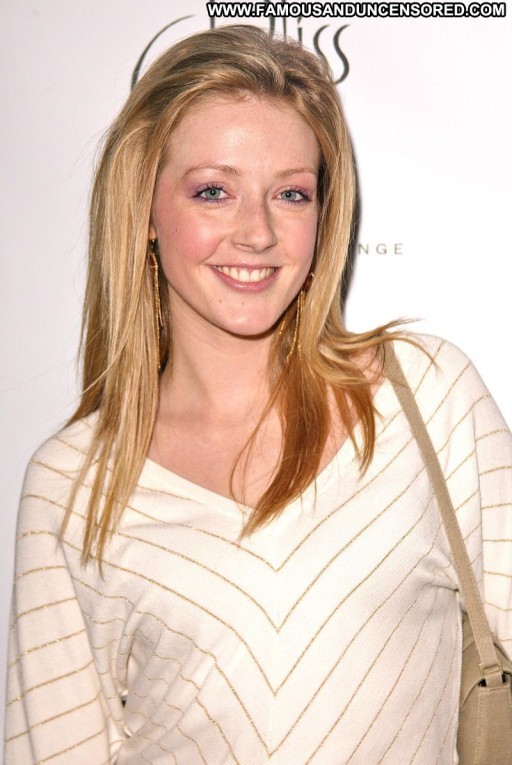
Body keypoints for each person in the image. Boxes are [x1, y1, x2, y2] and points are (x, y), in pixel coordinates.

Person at [4, 24, 511, 765]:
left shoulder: (427, 396)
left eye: (291, 194)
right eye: (214, 191)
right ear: (145, 211)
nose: (259, 232)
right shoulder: (73, 481)